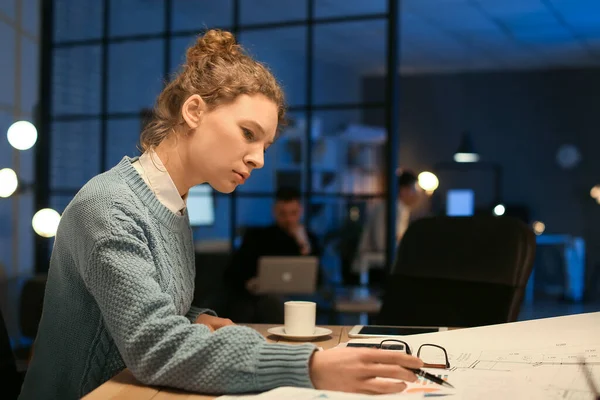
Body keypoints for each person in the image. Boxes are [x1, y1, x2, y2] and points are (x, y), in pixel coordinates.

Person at [18, 30, 423, 399]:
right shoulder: (109, 205)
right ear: (194, 111)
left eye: (265, 144)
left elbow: (138, 307)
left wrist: (198, 318)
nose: (259, 159)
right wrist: (310, 366)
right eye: (248, 134)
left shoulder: (171, 203)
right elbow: (155, 347)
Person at [225, 186, 321, 324]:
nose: (288, 219)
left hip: (300, 296)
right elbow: (234, 272)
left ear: (301, 211)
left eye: (293, 213)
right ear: (275, 212)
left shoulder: (309, 240)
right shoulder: (258, 237)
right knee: (270, 302)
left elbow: (317, 277)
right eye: (283, 213)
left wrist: (303, 243)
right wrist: (249, 283)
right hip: (264, 298)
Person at [353, 170, 420, 283]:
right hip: (373, 270)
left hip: (373, 267)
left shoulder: (393, 207)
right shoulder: (394, 208)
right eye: (413, 189)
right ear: (403, 190)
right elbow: (383, 244)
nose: (415, 194)